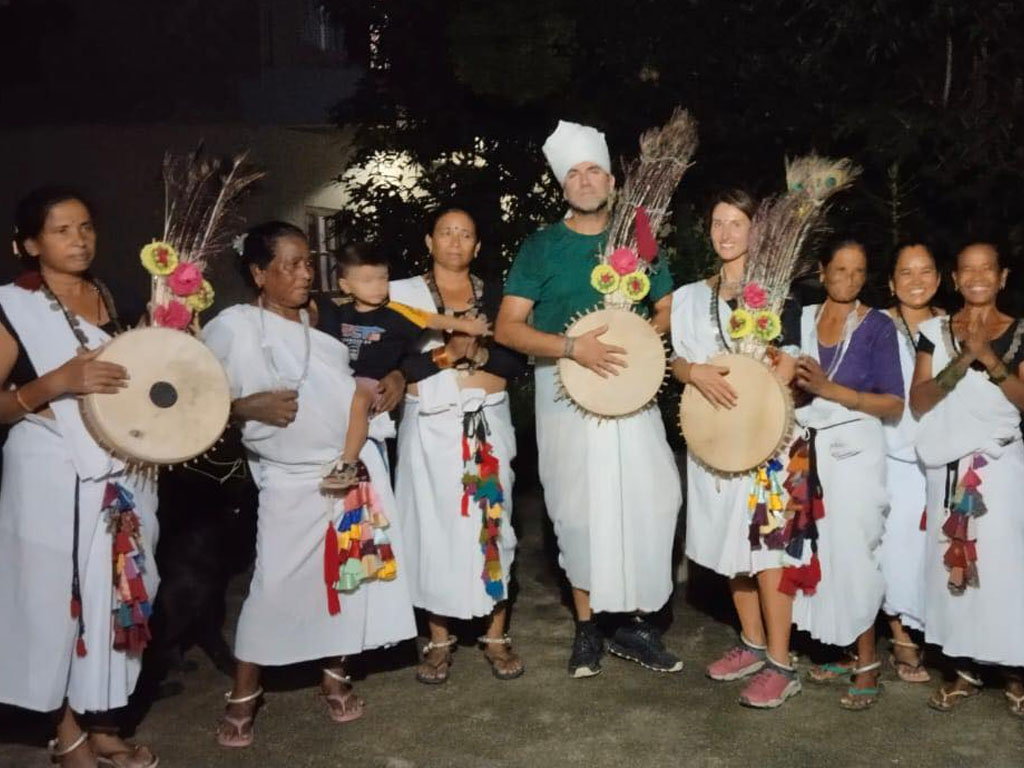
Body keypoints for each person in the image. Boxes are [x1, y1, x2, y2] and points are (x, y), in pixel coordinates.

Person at [203, 221, 415, 748]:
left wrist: (397, 377)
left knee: (349, 575)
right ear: (259, 272)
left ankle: (334, 674)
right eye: (292, 265)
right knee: (272, 583)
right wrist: (243, 407)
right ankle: (244, 692)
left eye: (308, 263)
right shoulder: (233, 326)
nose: (305, 275)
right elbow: (192, 400)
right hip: (287, 477)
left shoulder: (323, 315)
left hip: (349, 466)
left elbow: (383, 350)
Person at [496, 120, 683, 678]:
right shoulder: (540, 246)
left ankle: (638, 624)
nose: (584, 180)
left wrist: (642, 338)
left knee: (653, 501)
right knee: (578, 512)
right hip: (566, 391)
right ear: (563, 185)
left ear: (611, 181)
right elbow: (508, 327)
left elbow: (666, 305)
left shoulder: (638, 235)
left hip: (632, 387)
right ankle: (587, 628)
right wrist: (573, 347)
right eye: (573, 173)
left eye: (594, 170)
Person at [0, 187, 159, 767]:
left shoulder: (112, 296)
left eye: (86, 227)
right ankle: (65, 734)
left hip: (124, 469)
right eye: (61, 230)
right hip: (50, 469)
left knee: (118, 594)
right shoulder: (12, 307)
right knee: (53, 599)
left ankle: (105, 722)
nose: (79, 240)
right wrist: (55, 383)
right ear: (28, 244)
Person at [669, 189, 802, 708]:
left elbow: (790, 366)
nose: (725, 233)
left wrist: (763, 379)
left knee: (767, 547)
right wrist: (693, 372)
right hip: (712, 438)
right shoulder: (688, 297)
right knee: (730, 547)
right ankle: (751, 642)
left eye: (737, 223)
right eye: (717, 223)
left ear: (756, 231)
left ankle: (782, 664)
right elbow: (677, 361)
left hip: (765, 438)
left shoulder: (778, 292)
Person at [391, 206, 527, 683]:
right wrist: (448, 355)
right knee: (432, 527)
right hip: (430, 427)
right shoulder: (400, 295)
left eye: (465, 234)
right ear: (429, 241)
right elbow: (394, 367)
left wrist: (481, 352)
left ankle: (495, 633)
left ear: (477, 245)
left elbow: (516, 363)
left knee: (494, 522)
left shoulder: (498, 296)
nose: (454, 241)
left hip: (487, 421)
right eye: (446, 233)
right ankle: (439, 638)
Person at [908, 241, 1024, 716]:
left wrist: (989, 359)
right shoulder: (934, 332)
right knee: (952, 566)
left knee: (1003, 567)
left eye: (987, 269)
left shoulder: (1019, 331)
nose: (977, 277)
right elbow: (919, 401)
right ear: (954, 279)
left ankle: (1015, 670)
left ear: (1002, 277)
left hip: (999, 466)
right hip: (948, 466)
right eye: (967, 270)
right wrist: (962, 360)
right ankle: (963, 668)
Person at [789, 238, 904, 710]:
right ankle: (840, 646)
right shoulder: (800, 318)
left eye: (859, 271)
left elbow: (893, 402)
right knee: (818, 550)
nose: (850, 280)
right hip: (807, 447)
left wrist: (828, 389)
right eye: (840, 270)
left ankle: (869, 661)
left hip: (856, 448)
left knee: (855, 552)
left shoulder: (877, 326)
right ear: (822, 271)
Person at [318, 241, 490, 489]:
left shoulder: (397, 312)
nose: (378, 286)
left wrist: (468, 326)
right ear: (345, 285)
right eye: (367, 281)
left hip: (373, 384)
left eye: (382, 279)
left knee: (359, 399)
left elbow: (432, 319)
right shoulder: (340, 313)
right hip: (344, 382)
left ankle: (348, 464)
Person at [878, 241, 943, 684]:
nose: (916, 281)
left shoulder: (953, 325)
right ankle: (901, 635)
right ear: (891, 281)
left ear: (938, 278)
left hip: (941, 455)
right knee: (896, 547)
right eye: (906, 272)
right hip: (891, 452)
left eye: (925, 271)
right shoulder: (874, 325)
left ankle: (939, 634)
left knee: (937, 548)